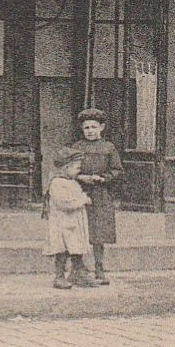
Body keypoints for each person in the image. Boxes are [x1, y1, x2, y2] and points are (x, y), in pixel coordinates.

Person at [67, 108, 122, 286]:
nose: (90, 131)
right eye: (86, 127)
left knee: (99, 234)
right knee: (79, 231)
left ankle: (99, 268)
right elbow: (67, 170)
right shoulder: (76, 147)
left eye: (93, 127)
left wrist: (104, 178)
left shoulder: (108, 147)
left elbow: (117, 170)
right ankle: (79, 268)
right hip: (80, 193)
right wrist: (81, 177)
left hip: (100, 194)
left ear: (102, 127)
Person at [45, 152, 93, 290]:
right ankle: (59, 276)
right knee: (63, 250)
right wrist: (83, 200)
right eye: (77, 167)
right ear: (66, 167)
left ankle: (77, 273)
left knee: (76, 248)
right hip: (63, 223)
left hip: (73, 222)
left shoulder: (71, 182)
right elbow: (64, 203)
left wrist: (81, 197)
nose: (79, 170)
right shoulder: (57, 183)